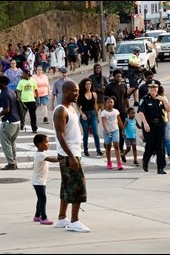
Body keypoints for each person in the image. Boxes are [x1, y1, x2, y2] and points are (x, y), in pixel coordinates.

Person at [53, 80, 90, 233]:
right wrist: (71, 157)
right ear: (66, 92)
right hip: (70, 154)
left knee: (66, 186)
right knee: (78, 187)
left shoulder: (71, 107)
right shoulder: (60, 110)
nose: (77, 93)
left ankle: (62, 218)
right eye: (74, 91)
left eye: (78, 91)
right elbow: (60, 135)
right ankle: (74, 221)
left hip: (73, 152)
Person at [138, 80, 170, 174]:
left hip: (160, 125)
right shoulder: (144, 99)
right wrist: (145, 123)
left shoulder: (160, 99)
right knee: (150, 144)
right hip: (149, 125)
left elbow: (169, 109)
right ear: (149, 89)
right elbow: (141, 112)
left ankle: (160, 167)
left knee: (160, 146)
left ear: (157, 89)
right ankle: (145, 160)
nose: (153, 90)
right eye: (151, 88)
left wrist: (163, 100)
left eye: (155, 88)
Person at [32, 134, 59, 225]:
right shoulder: (40, 155)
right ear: (39, 144)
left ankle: (37, 216)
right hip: (38, 181)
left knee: (40, 198)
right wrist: (62, 158)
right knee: (43, 198)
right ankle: (43, 217)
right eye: (46, 142)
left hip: (40, 180)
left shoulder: (41, 154)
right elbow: (51, 159)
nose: (48, 144)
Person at [0, 75, 21, 170]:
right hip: (17, 121)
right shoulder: (11, 91)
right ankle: (14, 162)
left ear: (3, 83)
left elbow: (7, 109)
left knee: (5, 143)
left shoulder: (4, 93)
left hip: (9, 121)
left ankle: (11, 163)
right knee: (12, 143)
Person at [76, 78, 103, 158]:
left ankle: (99, 151)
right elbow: (78, 106)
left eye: (89, 84)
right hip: (84, 114)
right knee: (86, 134)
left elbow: (95, 105)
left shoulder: (94, 94)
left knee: (95, 133)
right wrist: (82, 114)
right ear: (84, 85)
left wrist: (97, 116)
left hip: (93, 114)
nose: (88, 86)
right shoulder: (80, 95)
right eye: (87, 84)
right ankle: (85, 151)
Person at [104, 69, 129, 154]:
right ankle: (107, 143)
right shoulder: (109, 86)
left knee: (122, 130)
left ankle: (121, 148)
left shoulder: (124, 86)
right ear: (114, 77)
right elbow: (105, 98)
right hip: (112, 111)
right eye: (117, 76)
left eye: (120, 77)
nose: (119, 78)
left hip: (122, 111)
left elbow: (125, 98)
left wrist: (128, 108)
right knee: (113, 129)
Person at [101, 96, 125, 170]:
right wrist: (106, 130)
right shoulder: (104, 113)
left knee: (116, 145)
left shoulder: (116, 111)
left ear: (113, 103)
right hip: (107, 131)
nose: (110, 104)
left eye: (111, 102)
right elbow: (104, 122)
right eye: (108, 102)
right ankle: (109, 162)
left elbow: (119, 121)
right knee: (108, 146)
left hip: (115, 130)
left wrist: (123, 129)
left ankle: (119, 163)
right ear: (105, 103)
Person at [17, 69, 39, 133]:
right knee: (22, 115)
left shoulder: (33, 81)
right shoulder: (21, 81)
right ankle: (22, 124)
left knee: (33, 115)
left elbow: (36, 90)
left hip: (32, 100)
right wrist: (19, 98)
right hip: (23, 101)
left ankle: (34, 128)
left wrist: (37, 99)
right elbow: (18, 91)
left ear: (27, 74)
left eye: (23, 74)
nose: (22, 75)